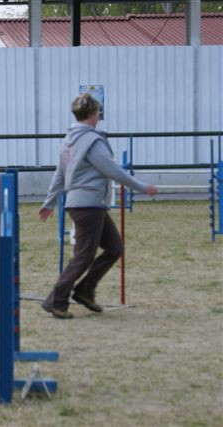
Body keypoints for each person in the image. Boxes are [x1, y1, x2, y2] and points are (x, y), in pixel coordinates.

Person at [39, 93, 157, 319]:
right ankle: (57, 301)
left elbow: (59, 175)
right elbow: (113, 170)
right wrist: (143, 187)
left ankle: (84, 291)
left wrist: (50, 202)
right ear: (95, 114)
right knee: (84, 256)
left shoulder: (67, 141)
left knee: (114, 248)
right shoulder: (93, 142)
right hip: (88, 205)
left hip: (83, 204)